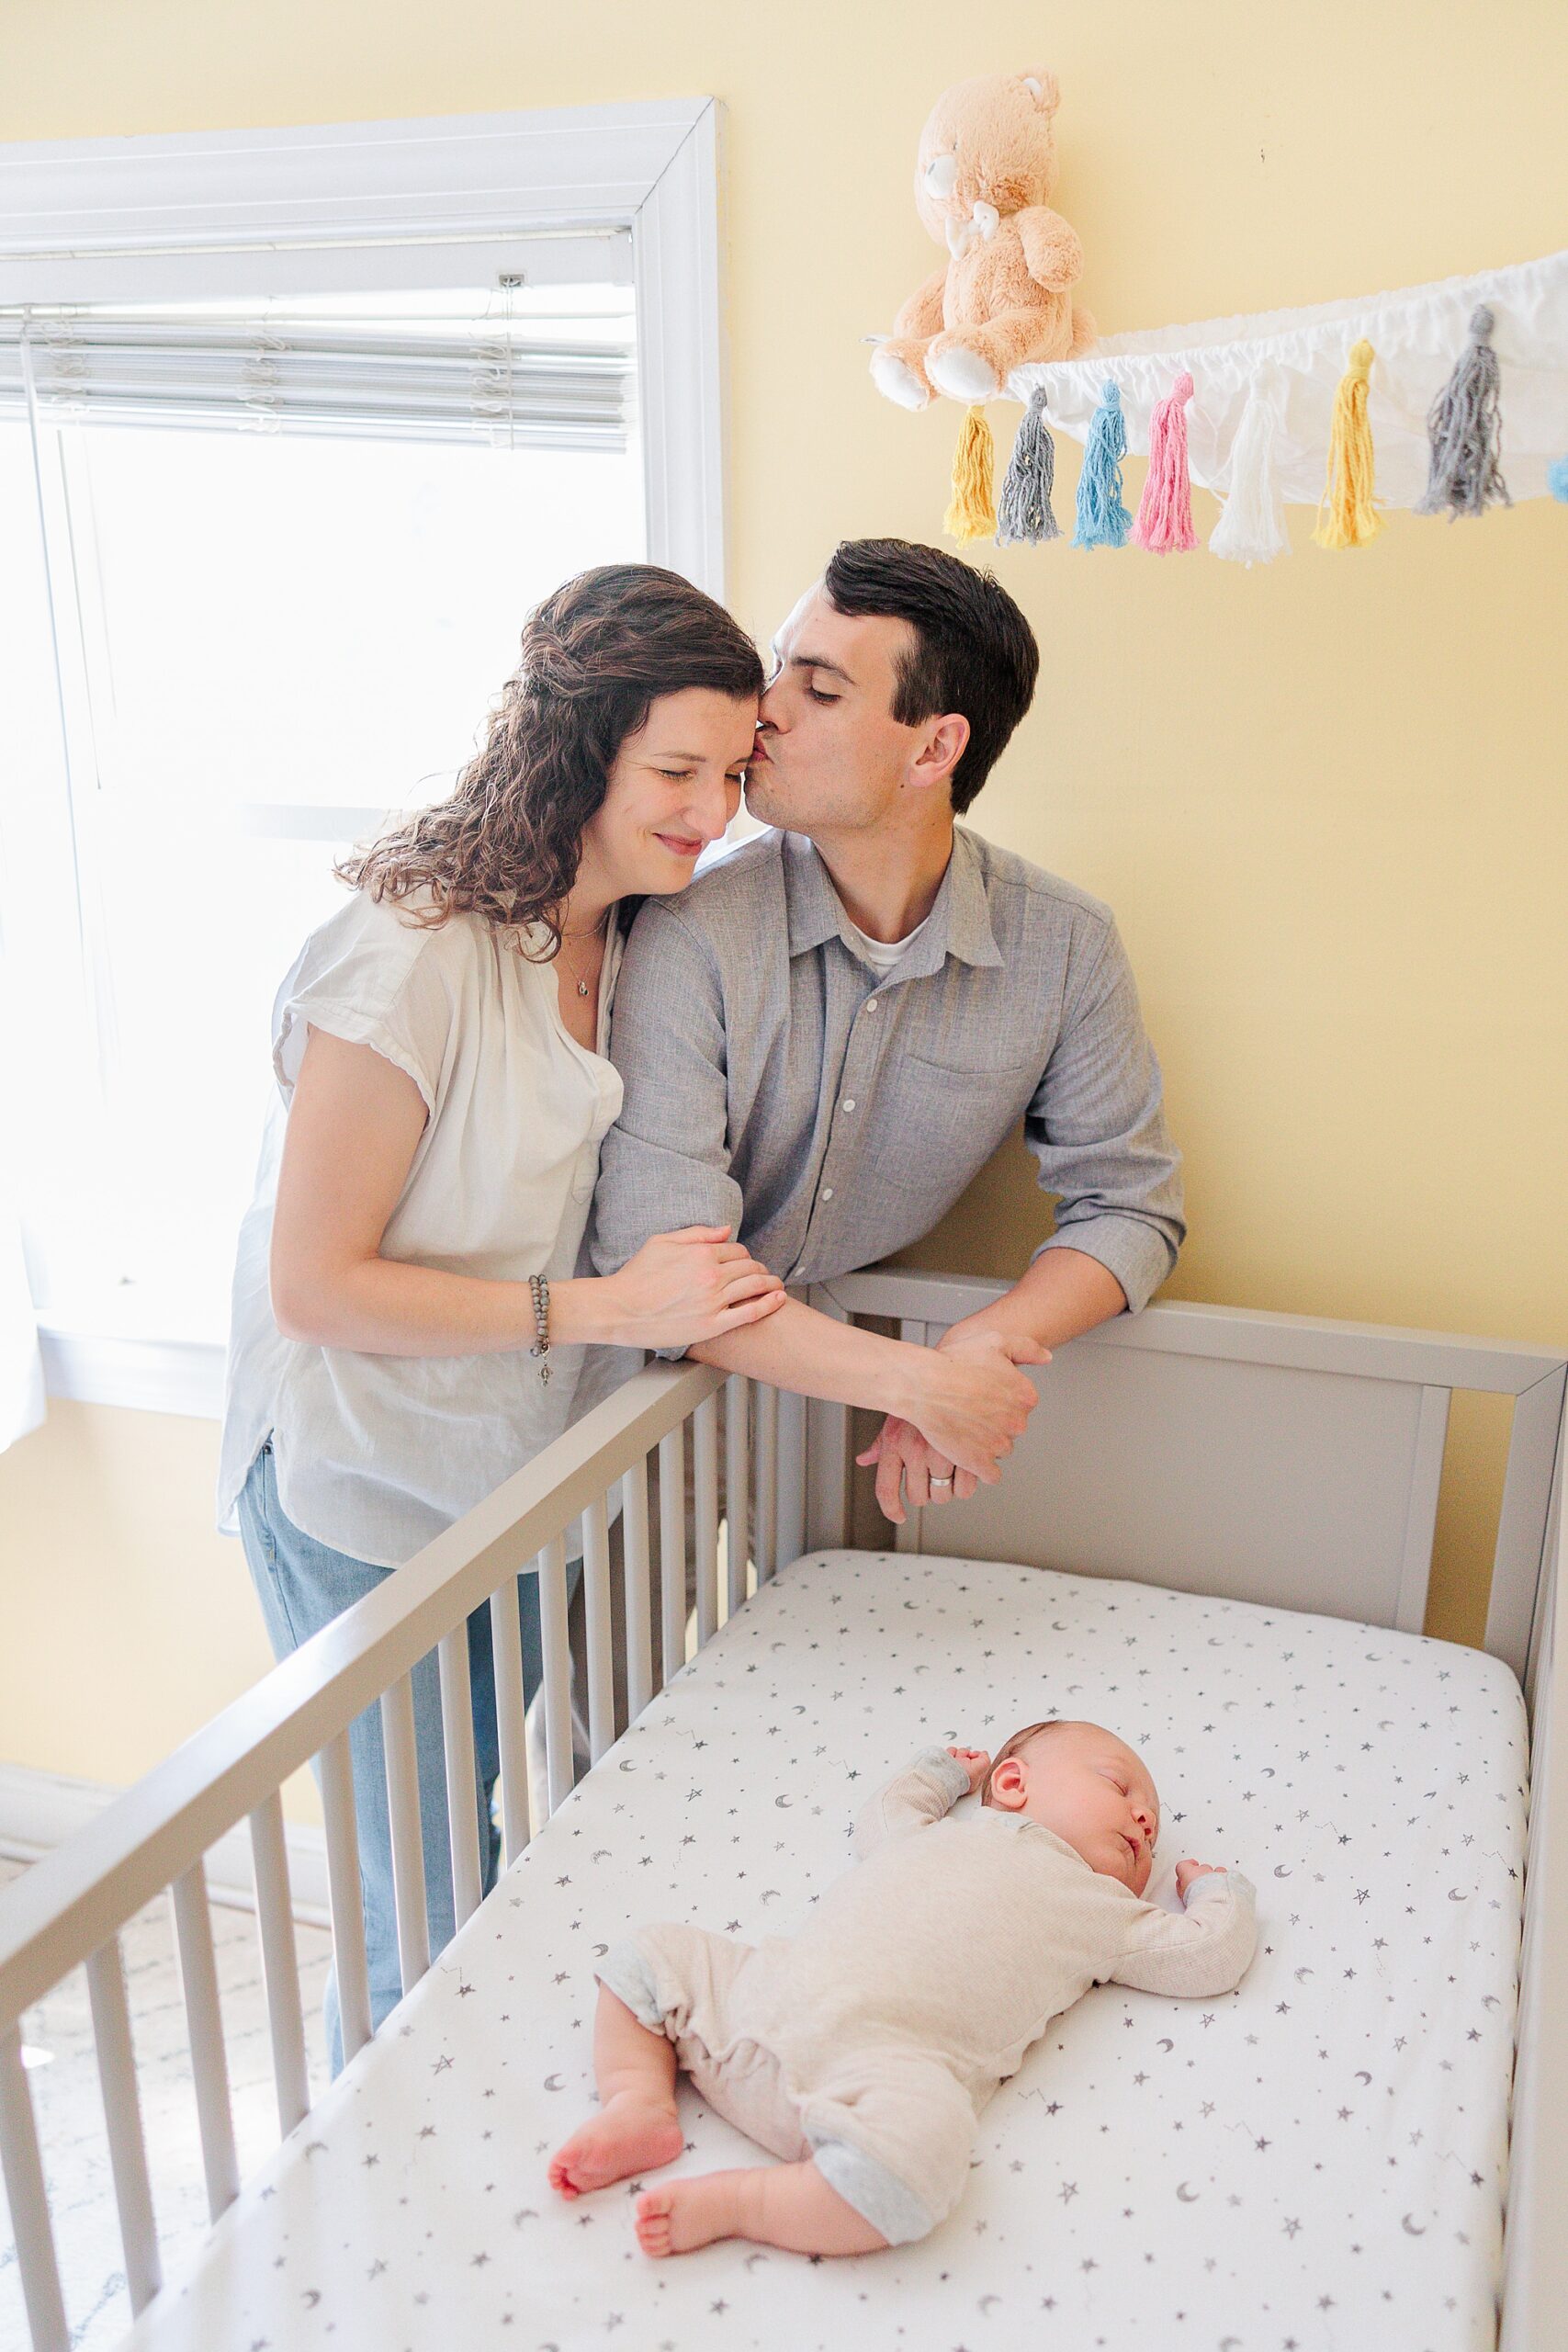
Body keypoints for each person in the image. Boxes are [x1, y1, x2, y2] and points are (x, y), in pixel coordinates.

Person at [218, 564, 793, 2070]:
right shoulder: (408, 952)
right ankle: (379, 2224)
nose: (710, 809)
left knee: (484, 1851)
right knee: (429, 1901)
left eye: (733, 774)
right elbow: (318, 1285)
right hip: (361, 1476)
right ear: (571, 746)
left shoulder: (638, 940)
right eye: (675, 771)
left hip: (509, 1477)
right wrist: (609, 1306)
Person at [590, 537, 1186, 1523]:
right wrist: (916, 1384)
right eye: (778, 666)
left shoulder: (1065, 946)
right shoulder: (688, 932)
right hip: (631, 1392)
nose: (764, 709)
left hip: (832, 1402)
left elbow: (1131, 1205)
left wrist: (980, 1346)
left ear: (934, 748)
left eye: (819, 690)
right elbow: (667, 1257)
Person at [547, 1718, 1256, 2256]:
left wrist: (1217, 1893)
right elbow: (882, 1813)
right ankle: (638, 2102)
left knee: (926, 2160)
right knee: (651, 1955)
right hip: (764, 1996)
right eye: (1120, 1786)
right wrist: (942, 1771)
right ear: (1011, 1784)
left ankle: (747, 2203)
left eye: (1153, 1831)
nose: (1144, 1819)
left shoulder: (1106, 1912)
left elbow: (1205, 1958)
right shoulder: (930, 1833)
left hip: (882, 2072)